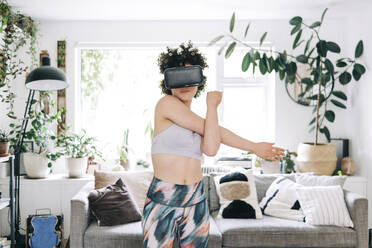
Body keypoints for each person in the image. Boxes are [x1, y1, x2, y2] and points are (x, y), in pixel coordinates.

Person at [141, 41, 285, 248]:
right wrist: (253, 146)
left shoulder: (201, 122)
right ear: (168, 80)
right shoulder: (166, 105)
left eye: (190, 76)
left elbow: (211, 148)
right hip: (164, 198)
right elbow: (214, 131)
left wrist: (211, 108)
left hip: (196, 199)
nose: (185, 84)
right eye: (179, 77)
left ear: (199, 80)